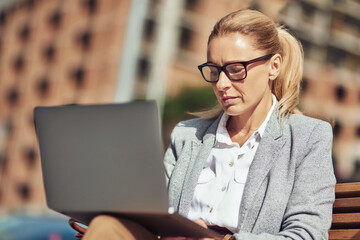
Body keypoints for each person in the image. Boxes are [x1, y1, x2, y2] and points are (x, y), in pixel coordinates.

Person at [75, 9, 336, 240]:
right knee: (107, 226)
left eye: (235, 69)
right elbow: (156, 215)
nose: (221, 84)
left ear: (273, 66)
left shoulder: (308, 137)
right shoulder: (187, 135)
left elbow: (308, 234)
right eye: (214, 70)